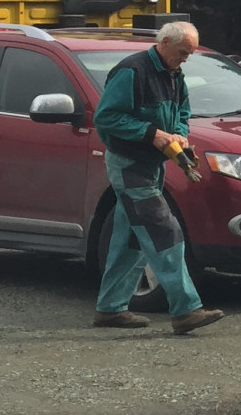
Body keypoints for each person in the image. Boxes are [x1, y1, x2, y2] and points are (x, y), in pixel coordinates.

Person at [91, 21, 225, 334]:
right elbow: (105, 117)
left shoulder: (174, 74)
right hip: (129, 164)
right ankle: (186, 310)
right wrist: (153, 134)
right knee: (165, 231)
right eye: (183, 52)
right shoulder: (131, 71)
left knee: (130, 240)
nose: (186, 59)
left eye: (190, 53)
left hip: (151, 166)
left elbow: (182, 112)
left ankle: (110, 309)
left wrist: (178, 134)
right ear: (164, 43)